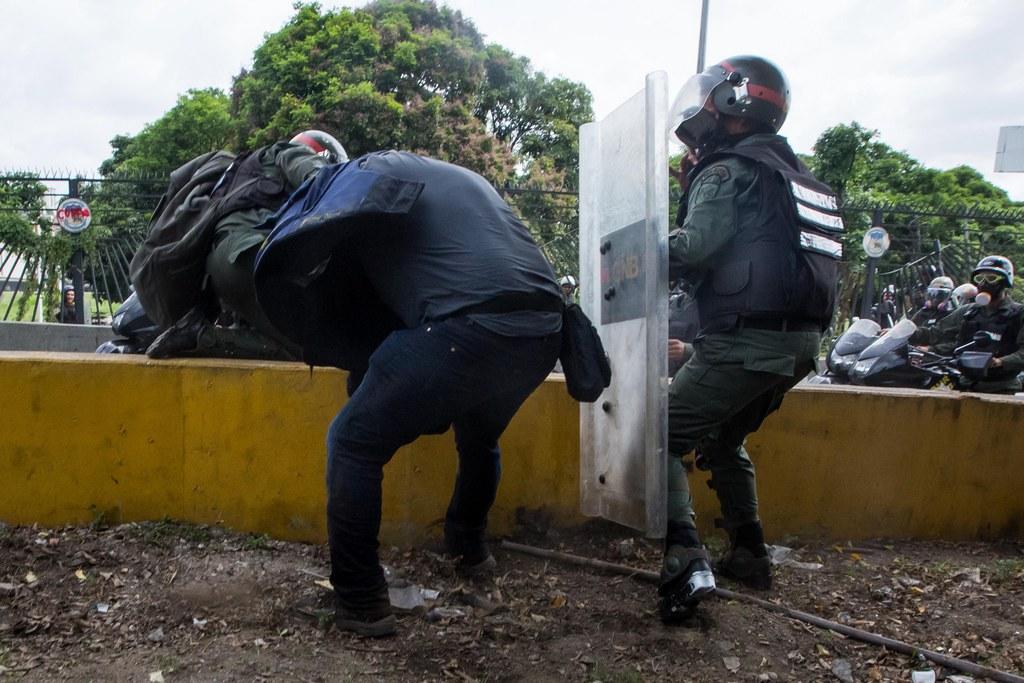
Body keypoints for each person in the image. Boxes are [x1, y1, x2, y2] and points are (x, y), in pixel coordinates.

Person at [253, 151, 564, 637]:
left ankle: (360, 599)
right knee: (479, 436)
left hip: (470, 327)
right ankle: (469, 549)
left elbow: (353, 303)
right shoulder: (456, 179)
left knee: (353, 442)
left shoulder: (366, 183)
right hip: (544, 331)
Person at [660, 55, 842, 622]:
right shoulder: (789, 174)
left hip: (744, 339)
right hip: (798, 346)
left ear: (738, 102)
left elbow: (695, 248)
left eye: (711, 97)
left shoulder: (726, 170)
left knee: (657, 434)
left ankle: (684, 565)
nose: (702, 108)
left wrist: (639, 243)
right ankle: (750, 552)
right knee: (721, 440)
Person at [145, 131, 345, 359]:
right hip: (252, 257)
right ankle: (202, 336)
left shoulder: (245, 169)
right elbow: (324, 182)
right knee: (322, 347)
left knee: (276, 335)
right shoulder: (292, 152)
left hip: (219, 266)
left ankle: (205, 334)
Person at [911, 256, 1023, 394]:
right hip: (964, 382)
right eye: (980, 278)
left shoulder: (1018, 314)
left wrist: (1000, 362)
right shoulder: (969, 311)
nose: (984, 283)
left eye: (991, 278)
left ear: (1005, 282)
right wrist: (904, 334)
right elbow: (935, 333)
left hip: (1001, 387)